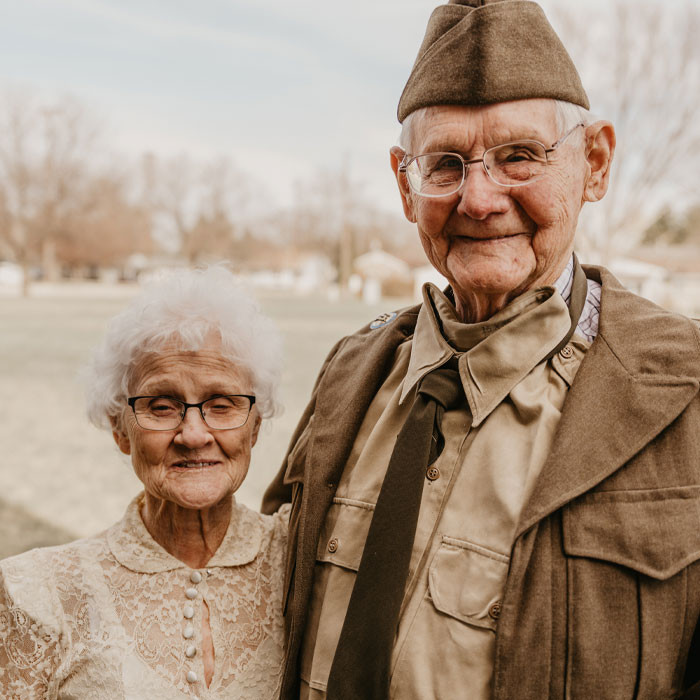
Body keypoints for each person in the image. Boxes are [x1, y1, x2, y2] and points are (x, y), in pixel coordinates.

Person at [262, 1, 700, 698]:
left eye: (520, 156)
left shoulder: (685, 396)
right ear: (405, 186)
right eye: (445, 164)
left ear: (594, 162)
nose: (478, 197)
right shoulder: (350, 374)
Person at [0, 266, 289, 699]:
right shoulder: (37, 594)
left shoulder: (305, 561)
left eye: (223, 404)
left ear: (254, 426)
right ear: (120, 428)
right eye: (161, 405)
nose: (193, 435)